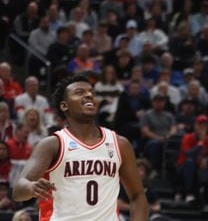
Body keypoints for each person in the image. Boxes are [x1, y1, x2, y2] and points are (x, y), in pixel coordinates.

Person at [12, 75, 148, 220]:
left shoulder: (120, 144)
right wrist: (31, 188)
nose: (89, 95)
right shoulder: (52, 144)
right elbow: (18, 190)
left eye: (92, 93)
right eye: (79, 92)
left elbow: (138, 196)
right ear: (65, 105)